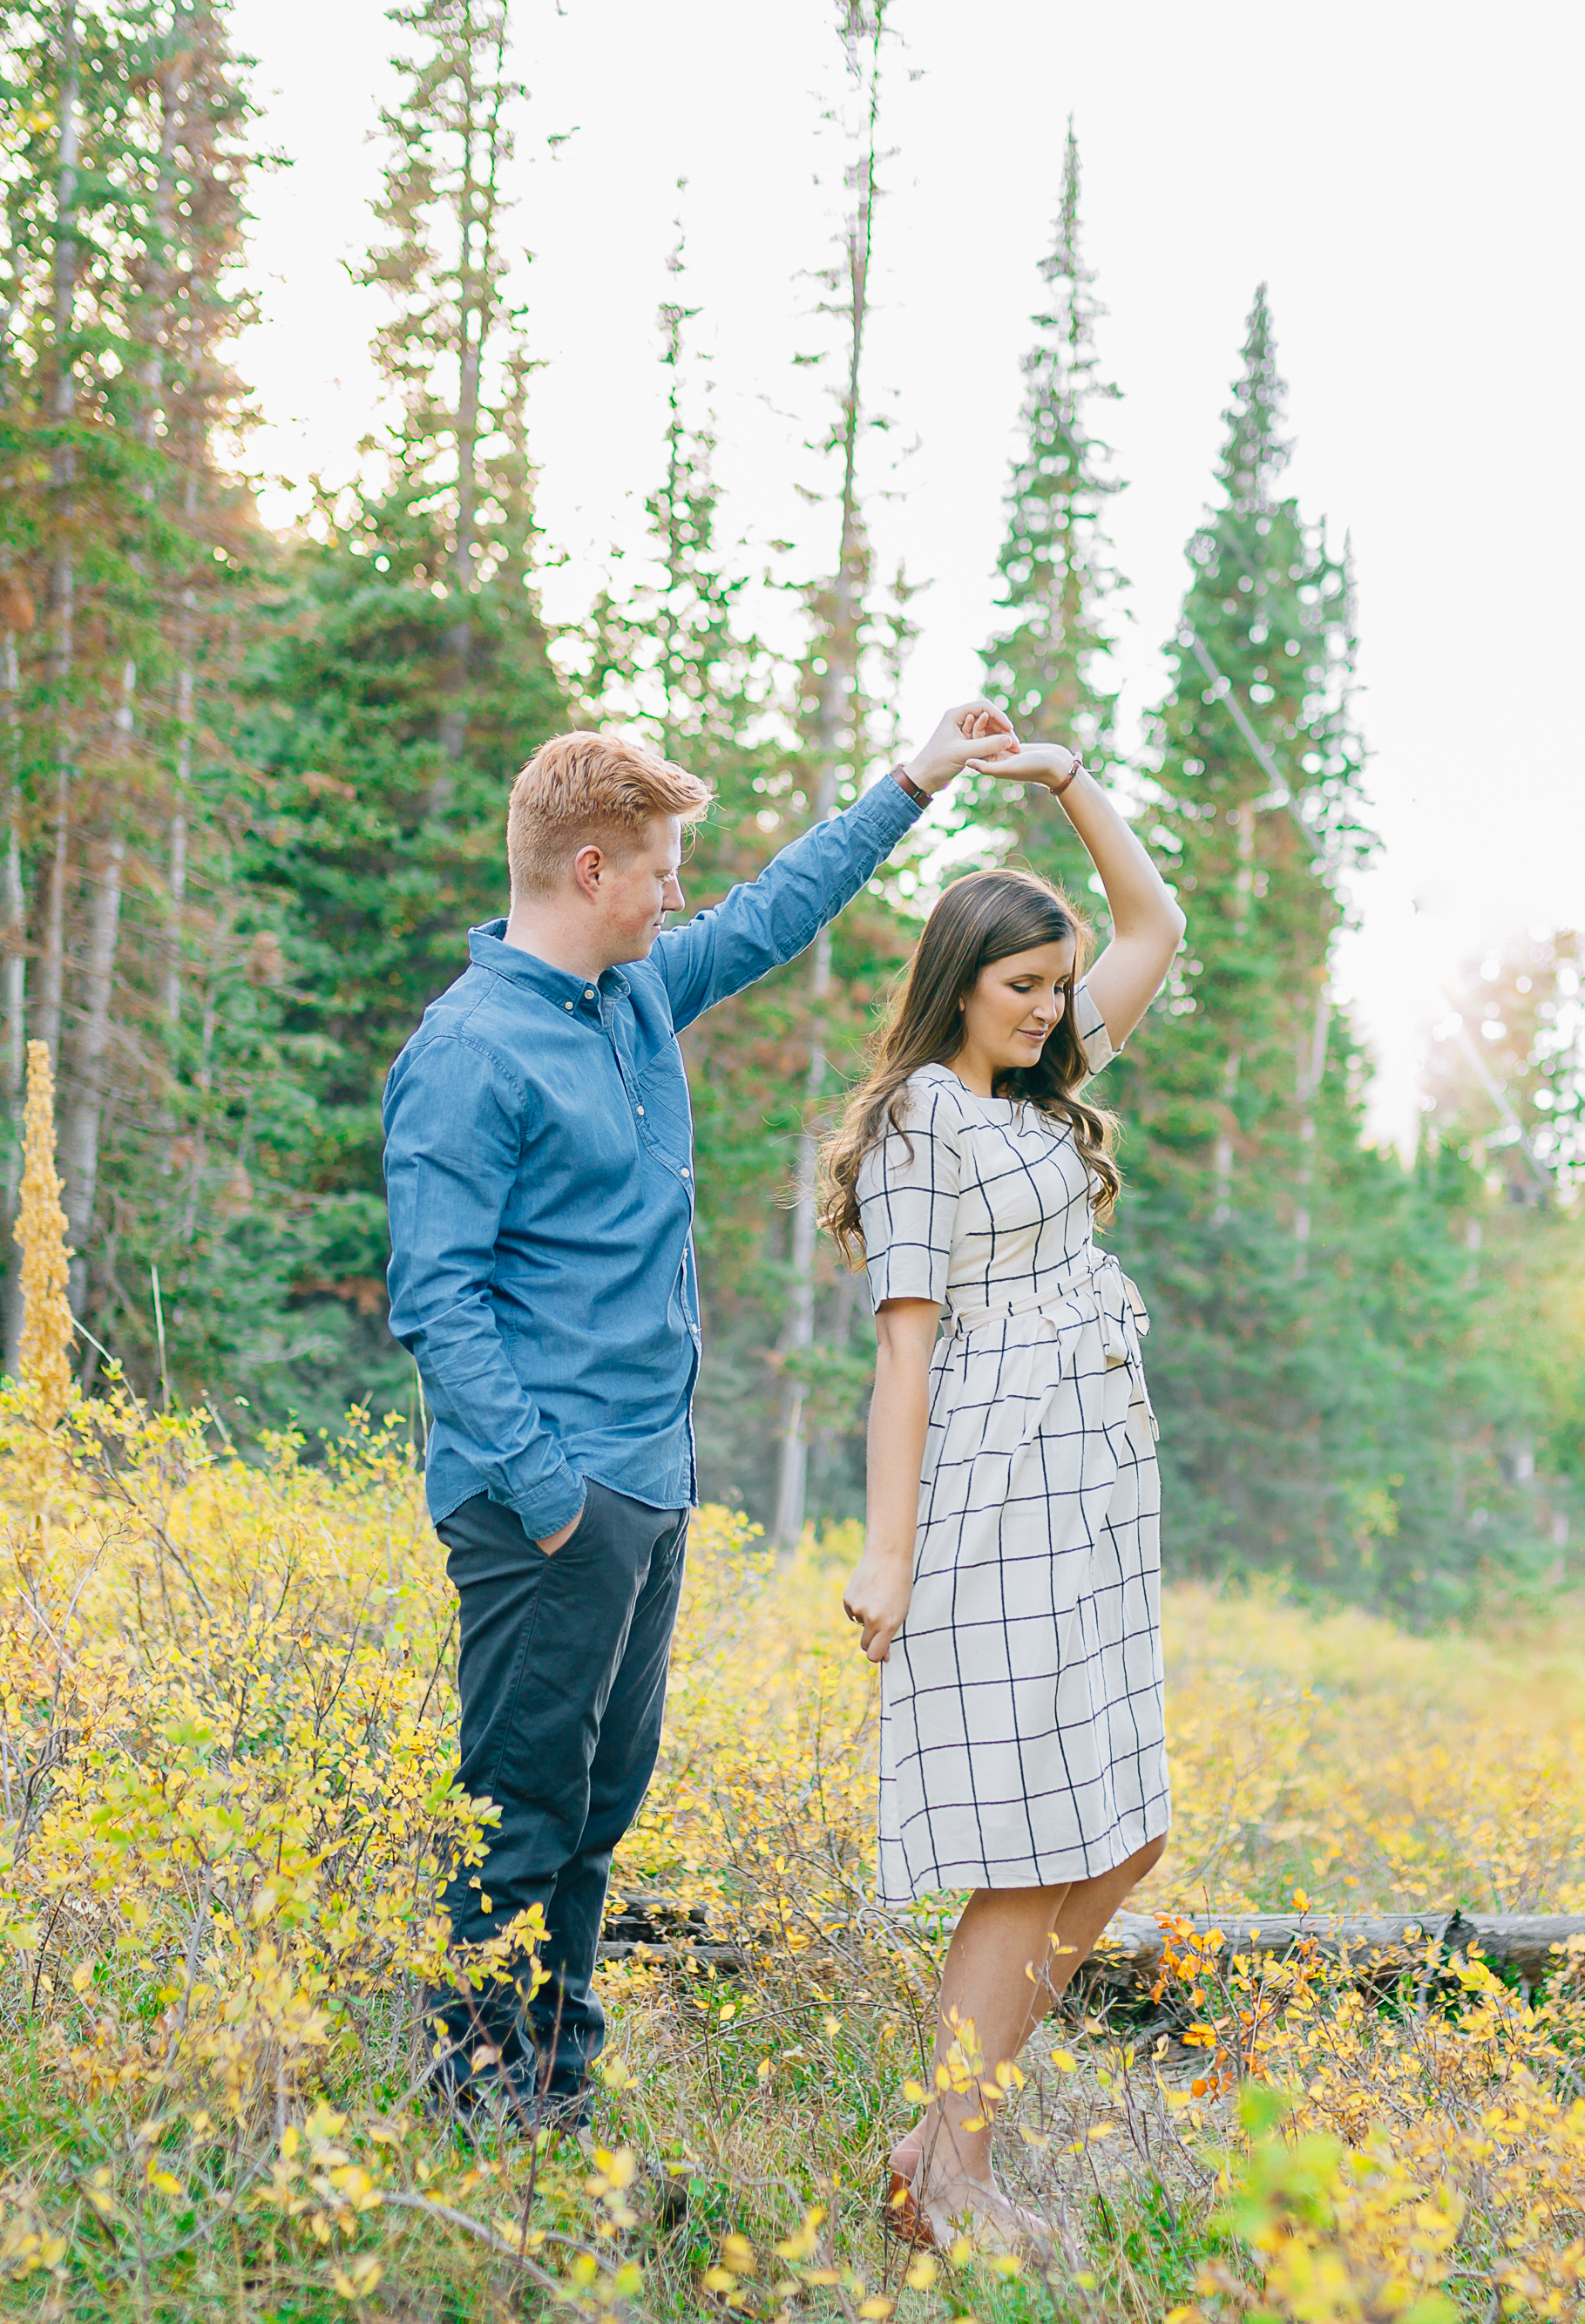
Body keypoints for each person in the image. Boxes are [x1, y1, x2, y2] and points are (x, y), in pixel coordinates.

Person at [384, 706, 1025, 2130]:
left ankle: (557, 2093)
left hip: (646, 1490)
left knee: (599, 1811)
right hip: (549, 1501)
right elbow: (438, 1304)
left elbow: (780, 909)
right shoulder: (469, 1051)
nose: (683, 894)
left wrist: (913, 780)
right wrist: (554, 1494)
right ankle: (475, 2111)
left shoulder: (633, 999)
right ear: (593, 868)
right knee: (521, 1814)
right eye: (666, 869)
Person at [822, 739, 1186, 2252]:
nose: (1048, 1009)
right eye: (1020, 986)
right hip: (996, 1488)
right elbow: (904, 1352)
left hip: (1092, 1491)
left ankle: (936, 2147)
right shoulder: (921, 1119)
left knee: (1125, 1835)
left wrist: (1066, 780)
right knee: (1034, 1846)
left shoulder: (1044, 1093)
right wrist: (885, 1555)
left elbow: (1156, 925)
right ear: (958, 981)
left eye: (1055, 986)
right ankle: (951, 2169)